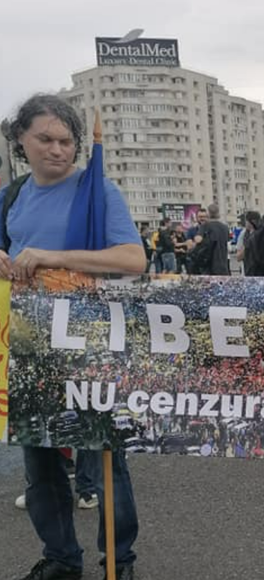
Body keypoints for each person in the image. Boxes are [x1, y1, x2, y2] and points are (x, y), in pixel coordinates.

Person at [2, 93, 145, 580]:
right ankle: (61, 559)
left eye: (66, 141)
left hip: (89, 341)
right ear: (20, 140)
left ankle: (119, 561)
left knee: (105, 457)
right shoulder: (12, 196)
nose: (57, 149)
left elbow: (132, 259)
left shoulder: (97, 189)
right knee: (39, 459)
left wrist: (53, 257)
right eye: (45, 139)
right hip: (28, 344)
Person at [193, 203, 229, 275]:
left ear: (208, 214)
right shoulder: (225, 227)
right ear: (218, 213)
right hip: (223, 265)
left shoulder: (205, 226)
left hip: (209, 266)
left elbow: (198, 239)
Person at [235, 210, 261, 275]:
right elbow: (238, 257)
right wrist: (248, 245)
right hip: (247, 271)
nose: (245, 223)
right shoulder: (244, 234)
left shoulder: (262, 233)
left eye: (246, 221)